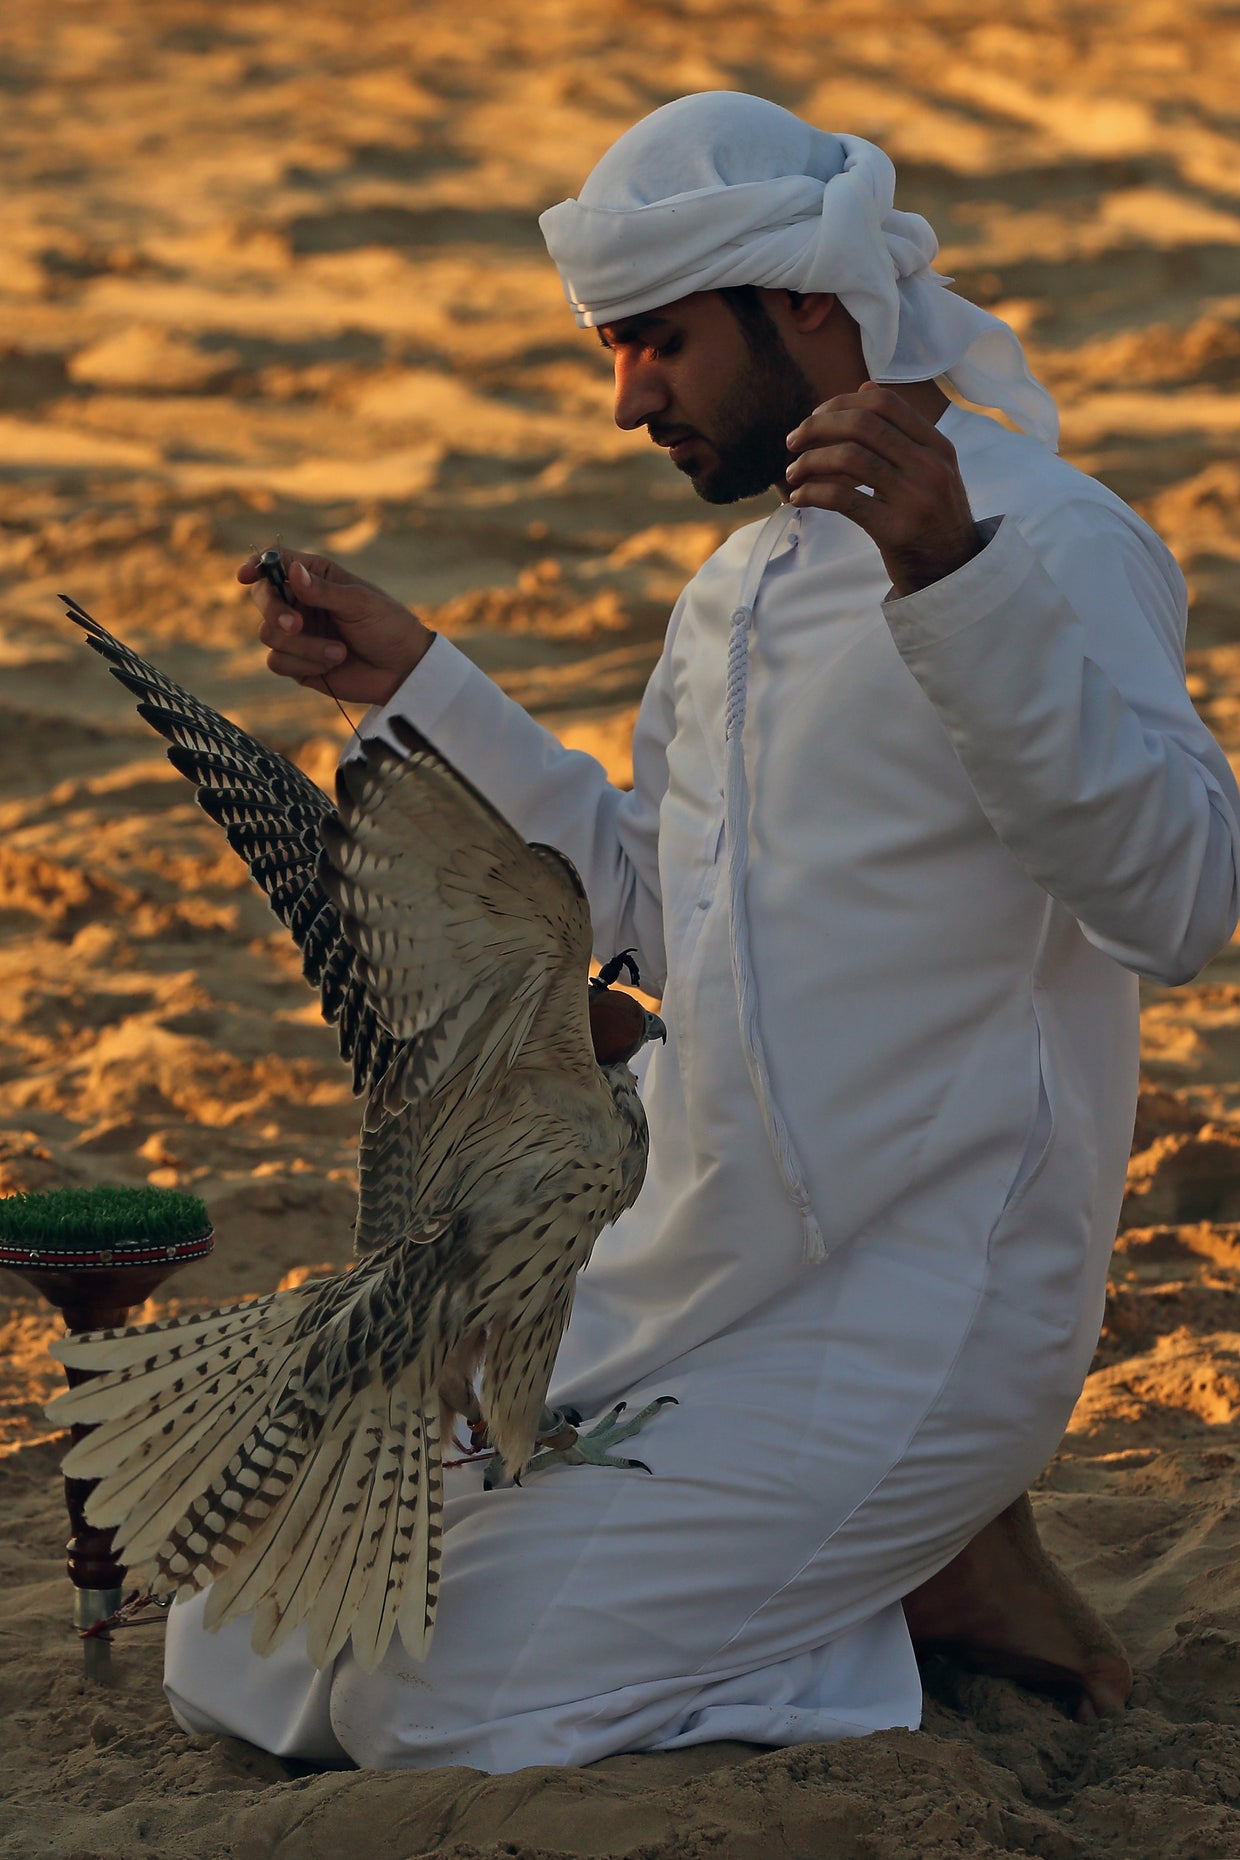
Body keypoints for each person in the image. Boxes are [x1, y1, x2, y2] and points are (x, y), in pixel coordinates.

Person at [163, 91, 1240, 1770]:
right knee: (243, 1625)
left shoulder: (1057, 538)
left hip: (917, 1309)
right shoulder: (732, 596)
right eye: (613, 350)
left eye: (657, 343)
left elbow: (1177, 903)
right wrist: (420, 685)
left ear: (804, 302)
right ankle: (908, 1572)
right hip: (693, 1267)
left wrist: (954, 580)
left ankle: (908, 1577)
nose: (626, 402)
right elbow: (662, 909)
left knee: (426, 1696)